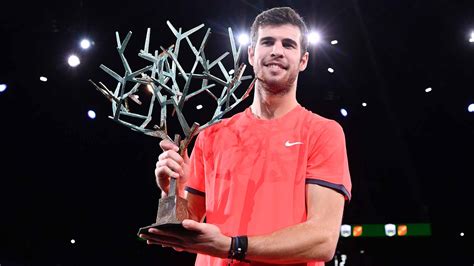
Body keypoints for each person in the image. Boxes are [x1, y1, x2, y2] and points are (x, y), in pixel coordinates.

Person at [139, 6, 352, 266]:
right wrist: (172, 190)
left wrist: (233, 247)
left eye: (288, 44)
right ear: (251, 54)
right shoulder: (211, 134)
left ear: (303, 60)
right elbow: (187, 229)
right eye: (267, 42)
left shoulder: (323, 132)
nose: (276, 51)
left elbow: (322, 240)